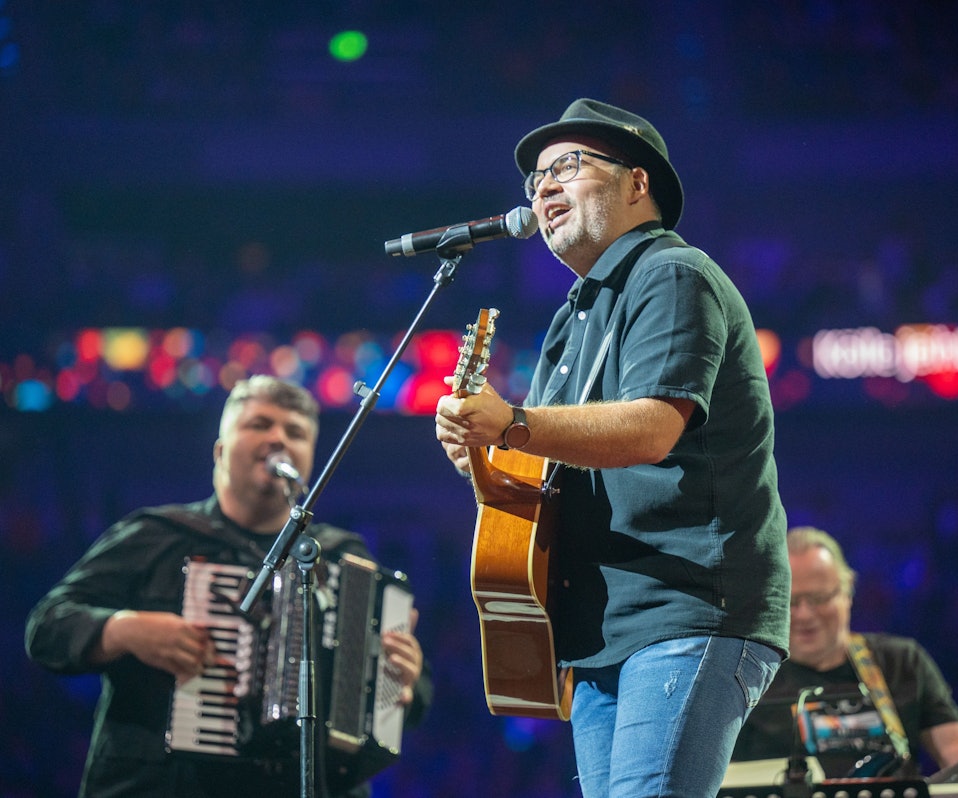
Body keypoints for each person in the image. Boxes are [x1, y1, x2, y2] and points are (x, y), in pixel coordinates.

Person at [434, 98, 790, 798]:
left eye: (567, 166)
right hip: (606, 627)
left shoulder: (671, 275)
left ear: (637, 184)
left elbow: (653, 429)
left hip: (687, 606)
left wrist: (511, 423)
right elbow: (544, 461)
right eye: (535, 179)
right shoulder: (573, 317)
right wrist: (484, 452)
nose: (543, 189)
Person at [25, 375, 431, 798]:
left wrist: (405, 678)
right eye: (259, 424)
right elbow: (46, 626)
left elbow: (411, 699)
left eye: (296, 433)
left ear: (309, 462)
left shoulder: (344, 558)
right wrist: (122, 630)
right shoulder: (155, 535)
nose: (278, 439)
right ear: (220, 451)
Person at [730, 526, 958, 790]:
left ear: (848, 592)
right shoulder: (746, 672)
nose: (804, 614)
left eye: (820, 598)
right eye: (791, 600)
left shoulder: (900, 661)